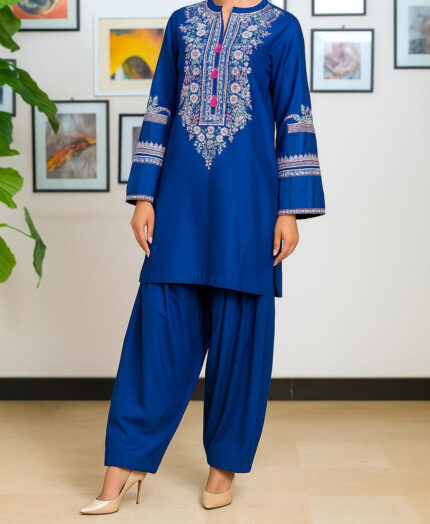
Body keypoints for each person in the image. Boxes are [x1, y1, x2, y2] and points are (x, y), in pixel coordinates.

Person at [81, 0, 325, 515]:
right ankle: (124, 463)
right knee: (156, 337)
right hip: (180, 203)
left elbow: (294, 115)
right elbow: (160, 107)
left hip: (249, 206)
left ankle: (223, 466)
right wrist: (144, 196)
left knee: (241, 339)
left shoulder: (282, 28)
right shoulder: (183, 23)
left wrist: (289, 211)